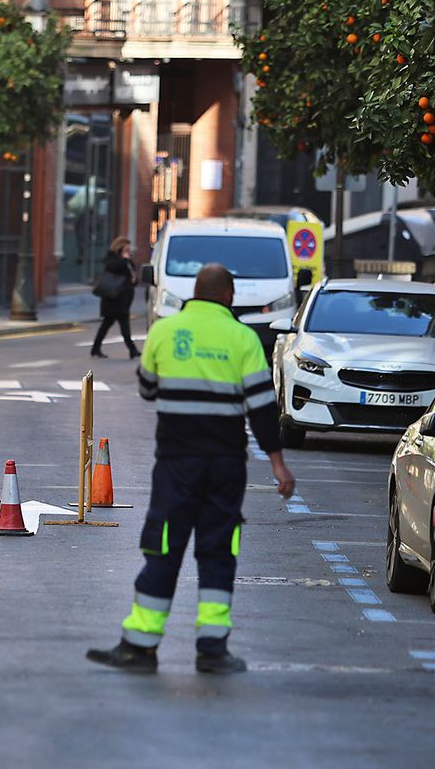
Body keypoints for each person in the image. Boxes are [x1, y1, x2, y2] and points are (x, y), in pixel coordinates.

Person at [87, 263, 296, 676]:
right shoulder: (243, 339)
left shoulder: (165, 331)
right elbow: (260, 406)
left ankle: (139, 646)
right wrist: (277, 463)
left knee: (163, 546)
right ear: (228, 297)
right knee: (218, 551)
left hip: (176, 464)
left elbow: (147, 389)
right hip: (225, 466)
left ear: (195, 293)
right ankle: (212, 650)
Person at [90, 236, 140, 359]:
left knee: (107, 325)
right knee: (122, 326)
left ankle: (95, 348)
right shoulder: (112, 259)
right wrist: (125, 260)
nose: (129, 252)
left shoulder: (126, 261)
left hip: (122, 300)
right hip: (114, 299)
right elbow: (115, 267)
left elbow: (132, 277)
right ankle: (132, 350)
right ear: (120, 247)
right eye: (127, 249)